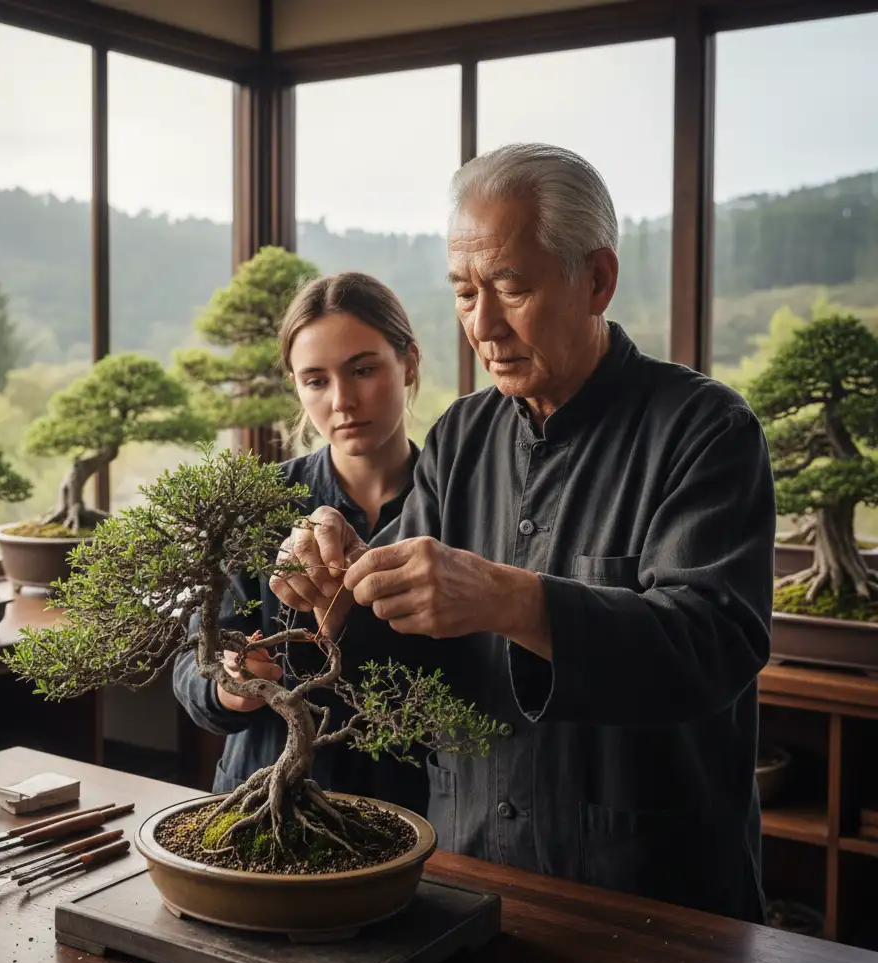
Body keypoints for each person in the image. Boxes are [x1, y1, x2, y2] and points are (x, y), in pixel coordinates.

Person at [269, 143, 776, 922]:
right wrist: (336, 586)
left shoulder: (704, 429)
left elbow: (713, 644)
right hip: (464, 866)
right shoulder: (462, 435)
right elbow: (399, 640)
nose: (484, 325)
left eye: (510, 287)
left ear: (597, 279)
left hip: (653, 890)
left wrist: (513, 599)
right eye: (464, 293)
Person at [173, 270, 429, 816]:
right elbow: (191, 665)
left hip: (407, 803)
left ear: (408, 362)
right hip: (262, 798)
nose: (342, 400)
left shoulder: (458, 499)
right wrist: (234, 683)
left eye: (363, 369)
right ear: (294, 384)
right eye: (315, 380)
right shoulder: (260, 505)